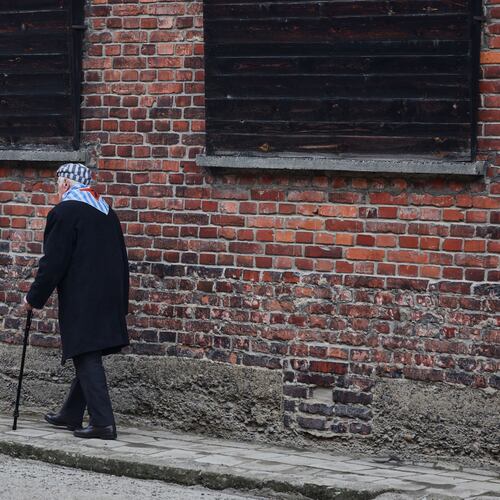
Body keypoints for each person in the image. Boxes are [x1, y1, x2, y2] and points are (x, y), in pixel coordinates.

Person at [24, 163, 129, 440]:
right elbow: (121, 258)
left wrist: (34, 298)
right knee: (89, 350)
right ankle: (71, 413)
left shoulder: (65, 212)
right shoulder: (106, 211)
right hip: (109, 294)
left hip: (84, 296)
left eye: (57, 183)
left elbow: (54, 262)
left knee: (85, 352)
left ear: (66, 184)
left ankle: (103, 423)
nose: (56, 189)